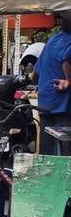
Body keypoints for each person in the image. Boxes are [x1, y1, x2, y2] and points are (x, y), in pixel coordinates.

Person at [34, 12, 71, 155]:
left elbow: (35, 72)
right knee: (65, 150)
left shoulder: (53, 40)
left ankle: (46, 177)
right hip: (62, 104)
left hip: (46, 101)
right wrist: (69, 80)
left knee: (48, 148)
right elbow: (66, 59)